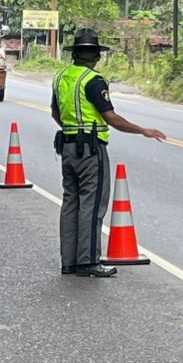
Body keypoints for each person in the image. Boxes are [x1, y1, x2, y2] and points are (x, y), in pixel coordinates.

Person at [52, 28, 167, 278]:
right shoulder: (92, 80)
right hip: (91, 150)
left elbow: (55, 113)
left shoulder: (61, 77)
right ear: (96, 55)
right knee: (92, 206)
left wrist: (73, 129)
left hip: (68, 147)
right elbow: (111, 117)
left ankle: (69, 262)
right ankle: (88, 261)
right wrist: (142, 130)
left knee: (70, 202)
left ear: (75, 54)